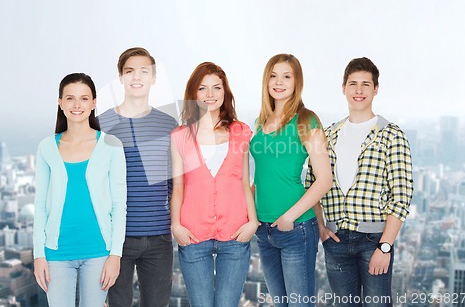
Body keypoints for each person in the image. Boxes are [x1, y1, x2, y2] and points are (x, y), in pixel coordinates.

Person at [306, 57, 414, 307]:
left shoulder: (392, 135)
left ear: (376, 89)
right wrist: (321, 228)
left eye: (366, 84)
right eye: (353, 83)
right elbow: (312, 184)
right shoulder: (328, 134)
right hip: (336, 241)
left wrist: (385, 247)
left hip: (374, 241)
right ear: (343, 88)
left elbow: (401, 195)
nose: (359, 90)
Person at [33, 73, 127, 307]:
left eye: (84, 99)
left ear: (94, 103)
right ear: (60, 103)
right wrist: (38, 255)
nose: (77, 105)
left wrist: (115, 255)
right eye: (70, 98)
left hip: (98, 251)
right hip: (56, 253)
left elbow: (119, 204)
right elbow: (40, 204)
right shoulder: (46, 147)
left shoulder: (111, 145)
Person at [170, 62, 259, 307]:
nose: (210, 95)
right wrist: (175, 225)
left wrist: (252, 222)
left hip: (235, 233)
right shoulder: (180, 136)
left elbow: (245, 182)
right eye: (202, 89)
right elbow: (178, 186)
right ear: (193, 94)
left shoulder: (241, 132)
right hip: (192, 234)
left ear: (225, 93)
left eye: (216, 88)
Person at [250, 53, 332, 307]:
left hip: (296, 229)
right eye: (273, 75)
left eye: (287, 76)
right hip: (264, 231)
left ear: (297, 83)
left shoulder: (306, 120)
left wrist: (289, 218)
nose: (279, 81)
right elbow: (260, 178)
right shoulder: (260, 122)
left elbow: (324, 180)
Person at [98, 47, 177, 307]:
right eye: (130, 71)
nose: (137, 77)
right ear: (120, 77)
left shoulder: (168, 124)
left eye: (144, 71)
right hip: (116, 240)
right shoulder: (101, 124)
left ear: (154, 77)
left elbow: (174, 183)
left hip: (159, 237)